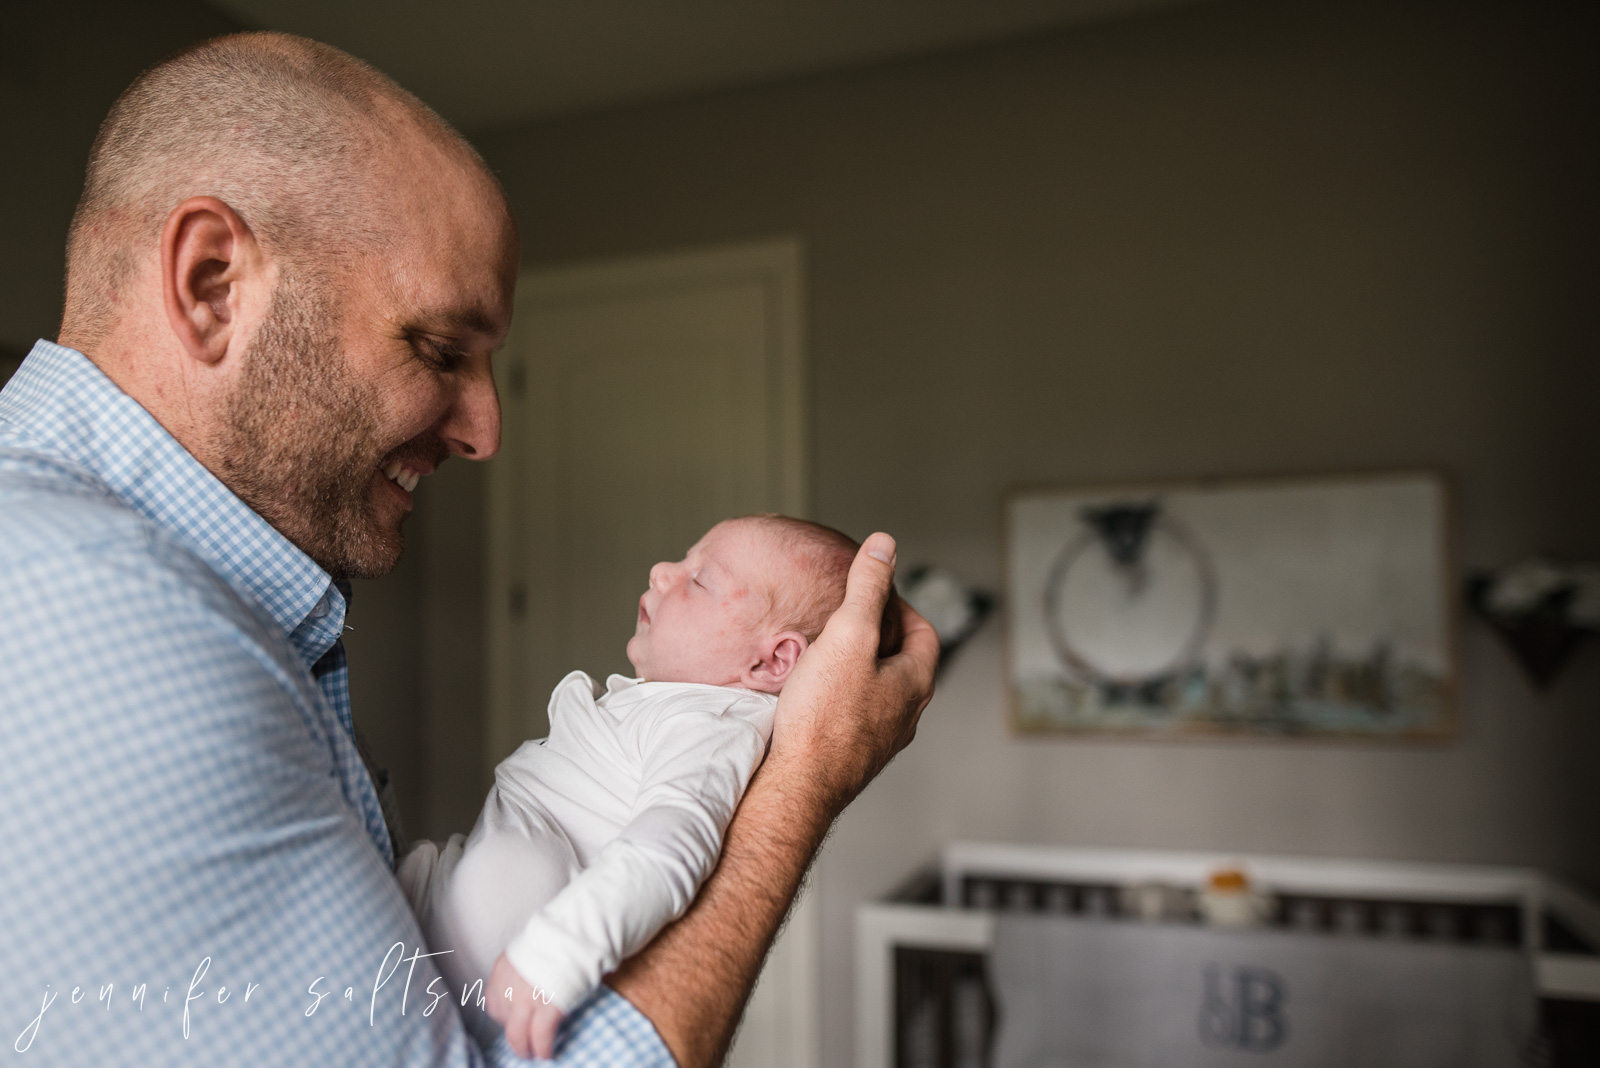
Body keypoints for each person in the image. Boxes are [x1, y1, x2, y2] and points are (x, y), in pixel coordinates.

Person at [0, 31, 936, 1068]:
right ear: (215, 283)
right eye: (441, 350)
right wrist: (802, 783)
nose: (486, 432)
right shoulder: (100, 618)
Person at [400, 516, 877, 1058]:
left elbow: (670, 845)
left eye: (700, 579)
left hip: (509, 968)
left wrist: (559, 953)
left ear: (771, 660)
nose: (662, 571)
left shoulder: (710, 725)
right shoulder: (679, 706)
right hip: (448, 923)